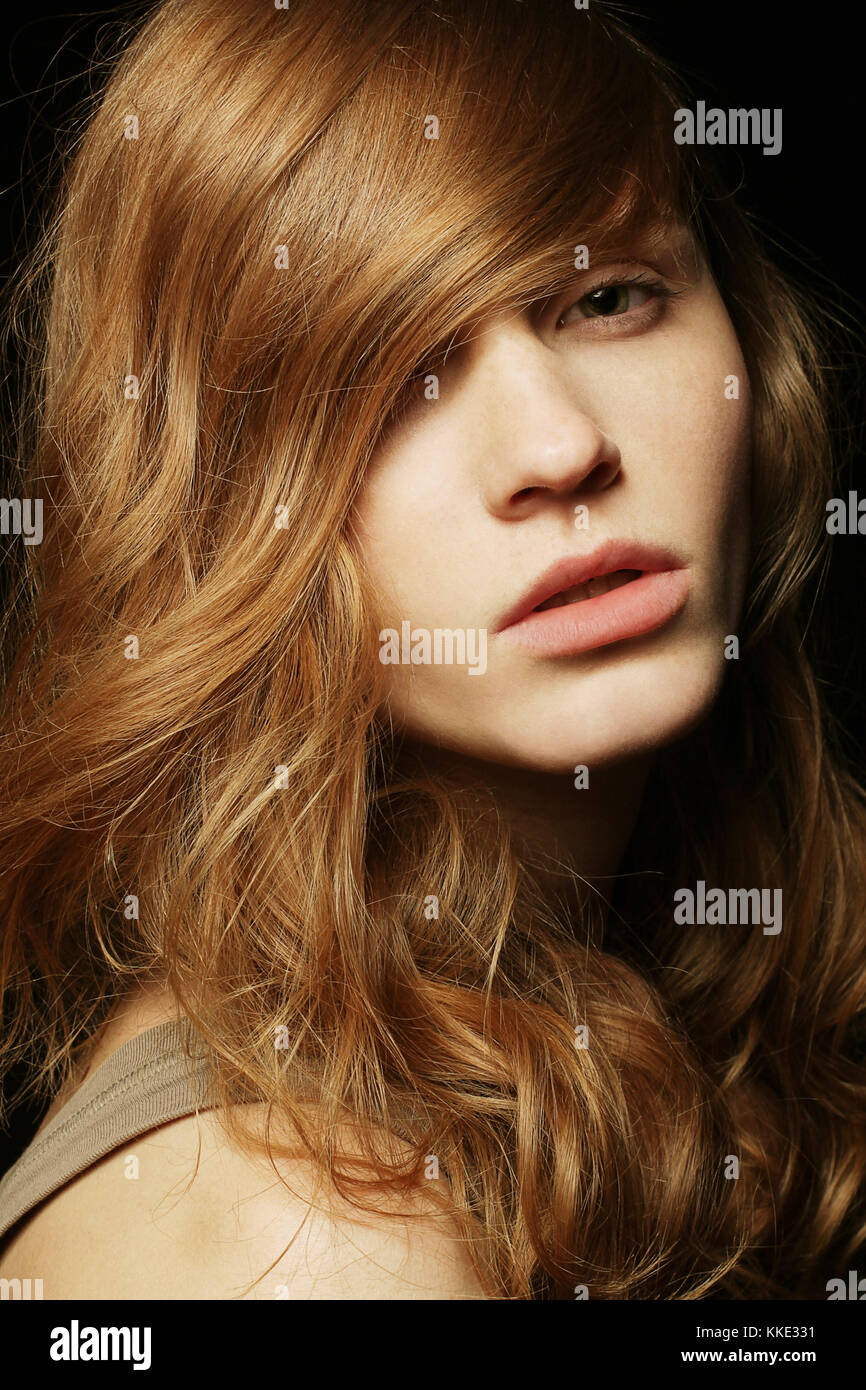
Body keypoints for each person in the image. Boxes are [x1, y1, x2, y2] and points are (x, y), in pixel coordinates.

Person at [0, 0, 864, 1300]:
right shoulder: (311, 1232)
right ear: (223, 504)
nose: (557, 448)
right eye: (393, 372)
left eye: (607, 298)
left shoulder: (666, 994)